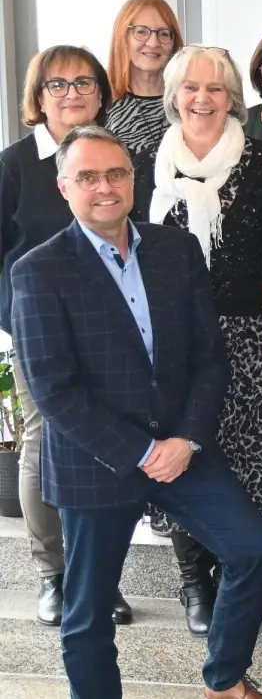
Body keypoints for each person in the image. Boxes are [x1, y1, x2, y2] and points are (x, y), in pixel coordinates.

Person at [12, 125, 262, 699]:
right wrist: (140, 451)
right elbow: (55, 391)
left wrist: (185, 440)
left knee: (254, 551)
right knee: (87, 614)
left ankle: (225, 680)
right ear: (65, 187)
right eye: (87, 177)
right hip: (99, 462)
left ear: (133, 179)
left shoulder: (174, 250)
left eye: (115, 174)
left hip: (181, 449)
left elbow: (210, 359)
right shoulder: (37, 271)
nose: (104, 187)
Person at [132, 47, 262, 637]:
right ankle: (194, 579)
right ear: (173, 95)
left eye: (215, 89)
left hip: (242, 333)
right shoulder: (146, 163)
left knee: (239, 458)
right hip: (169, 338)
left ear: (231, 98)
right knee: (179, 456)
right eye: (190, 88)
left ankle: (232, 569)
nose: (202, 99)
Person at [0, 47, 131, 629]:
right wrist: (13, 317)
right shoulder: (14, 165)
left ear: (101, 93)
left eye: (83, 81)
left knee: (104, 439)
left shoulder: (115, 158)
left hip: (109, 328)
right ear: (38, 96)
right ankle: (53, 575)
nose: (72, 92)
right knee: (42, 439)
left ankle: (100, 575)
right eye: (57, 84)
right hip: (38, 328)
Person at [106, 0, 185, 159]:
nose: (153, 43)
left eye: (163, 33)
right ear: (123, 37)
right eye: (141, 32)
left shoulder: (189, 99)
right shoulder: (101, 102)